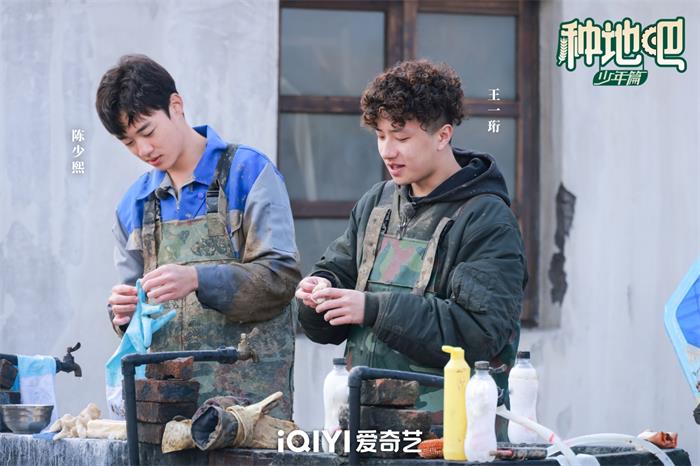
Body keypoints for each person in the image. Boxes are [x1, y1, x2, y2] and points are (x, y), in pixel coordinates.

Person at [295, 60, 527, 435]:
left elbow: (479, 335)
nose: (388, 151)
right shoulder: (377, 204)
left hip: (451, 438)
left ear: (442, 135)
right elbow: (337, 279)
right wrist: (319, 292)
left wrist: (372, 308)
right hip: (369, 427)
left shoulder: (486, 221)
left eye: (401, 138)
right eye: (380, 136)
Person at [96, 54, 300, 418]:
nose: (143, 150)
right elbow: (135, 315)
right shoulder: (133, 205)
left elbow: (280, 280)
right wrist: (123, 314)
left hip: (249, 409)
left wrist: (197, 279)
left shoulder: (248, 173)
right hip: (166, 409)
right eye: (129, 142)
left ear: (176, 106)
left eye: (147, 132)